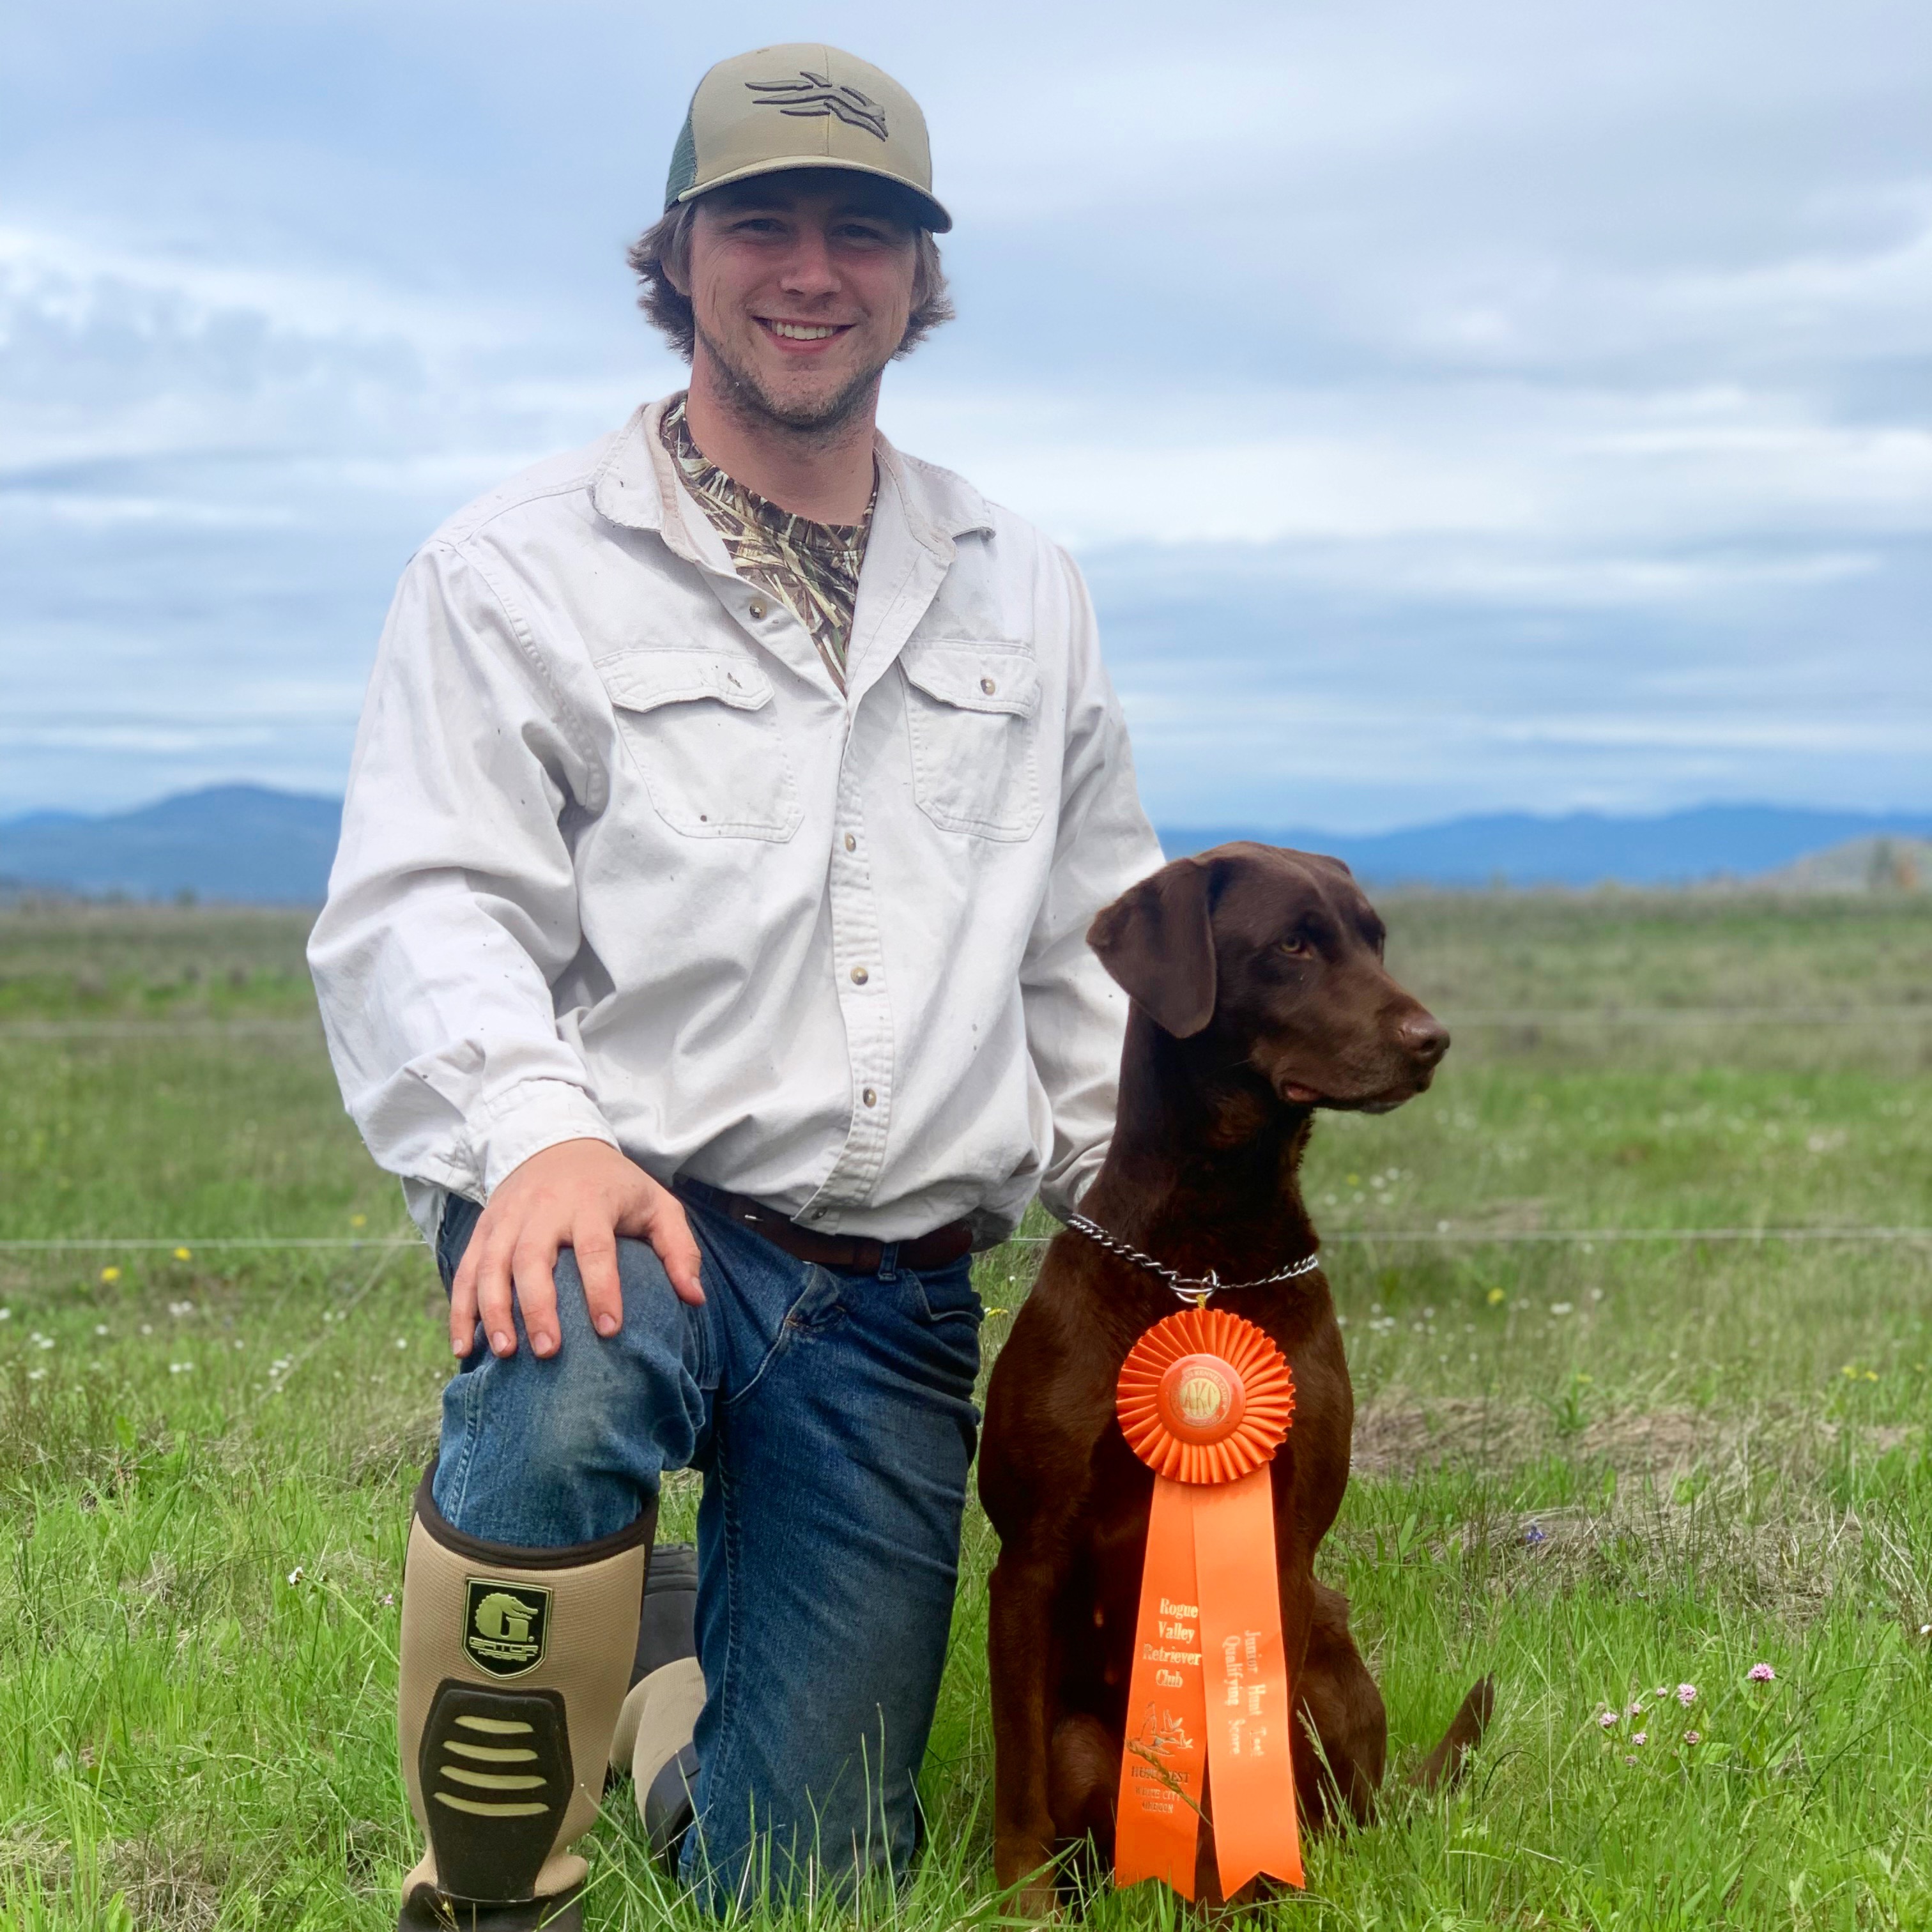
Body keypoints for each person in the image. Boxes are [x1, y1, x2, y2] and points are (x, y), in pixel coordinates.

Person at [309, 40, 1161, 1930]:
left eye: (862, 231)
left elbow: (1086, 939)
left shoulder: (1029, 588)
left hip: (889, 1293)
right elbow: (422, 905)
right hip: (630, 1207)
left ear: (918, 280)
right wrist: (533, 1141)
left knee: (805, 1889)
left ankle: (675, 1678)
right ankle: (493, 1885)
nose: (810, 270)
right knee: (561, 1341)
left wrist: (1148, 1237)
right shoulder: (513, 570)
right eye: (759, 221)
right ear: (678, 255)